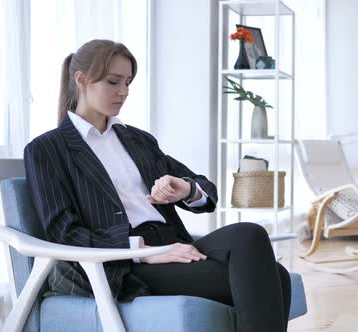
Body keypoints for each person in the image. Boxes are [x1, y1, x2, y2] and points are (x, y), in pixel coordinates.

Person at [24, 39, 291, 332]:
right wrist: (144, 250)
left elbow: (207, 190)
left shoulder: (137, 140)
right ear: (81, 79)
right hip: (126, 262)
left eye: (127, 82)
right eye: (113, 82)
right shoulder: (47, 149)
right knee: (275, 276)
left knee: (249, 234)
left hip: (175, 243)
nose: (123, 92)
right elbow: (64, 233)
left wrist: (187, 189)